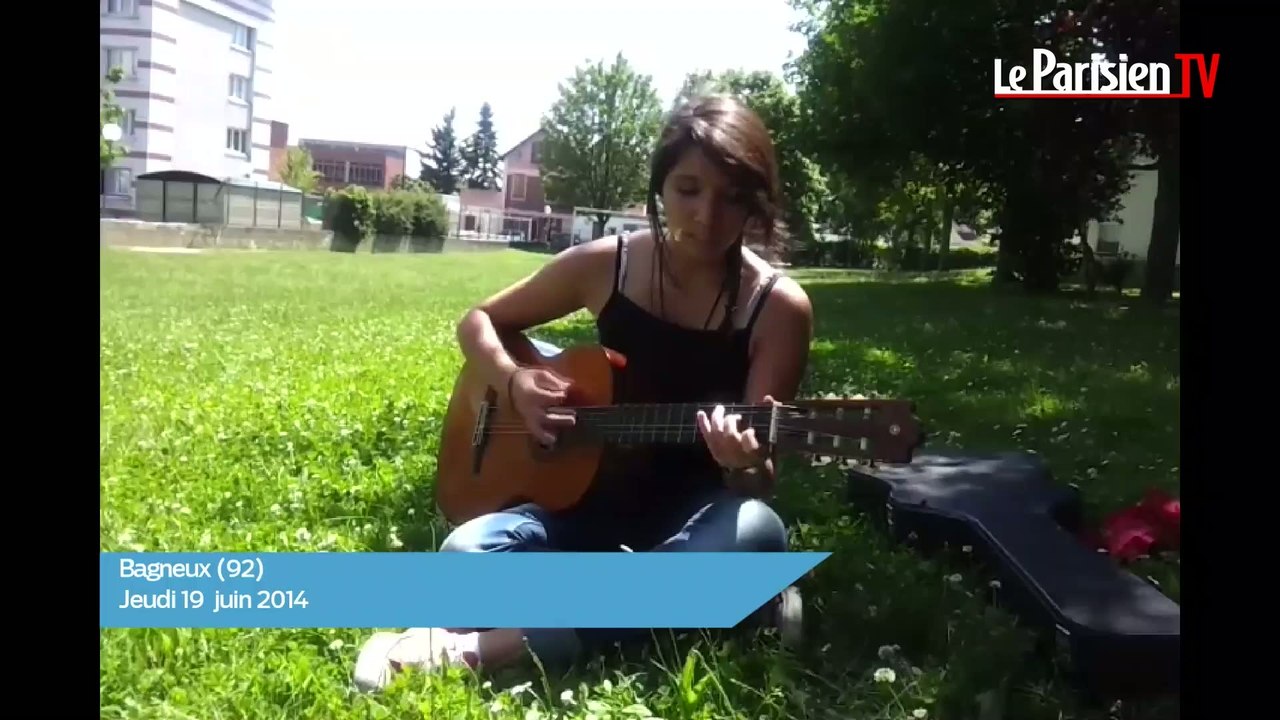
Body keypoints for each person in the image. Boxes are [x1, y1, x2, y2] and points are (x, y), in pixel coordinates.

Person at [354, 94, 815, 692]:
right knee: (465, 553)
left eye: (731, 197)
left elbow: (759, 480)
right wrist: (514, 380)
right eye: (688, 189)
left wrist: (743, 464)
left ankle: (469, 649)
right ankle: (711, 605)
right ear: (660, 187)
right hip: (583, 510)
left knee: (757, 531)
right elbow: (480, 321)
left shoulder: (778, 308)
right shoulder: (608, 266)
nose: (707, 215)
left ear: (754, 202)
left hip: (696, 520)